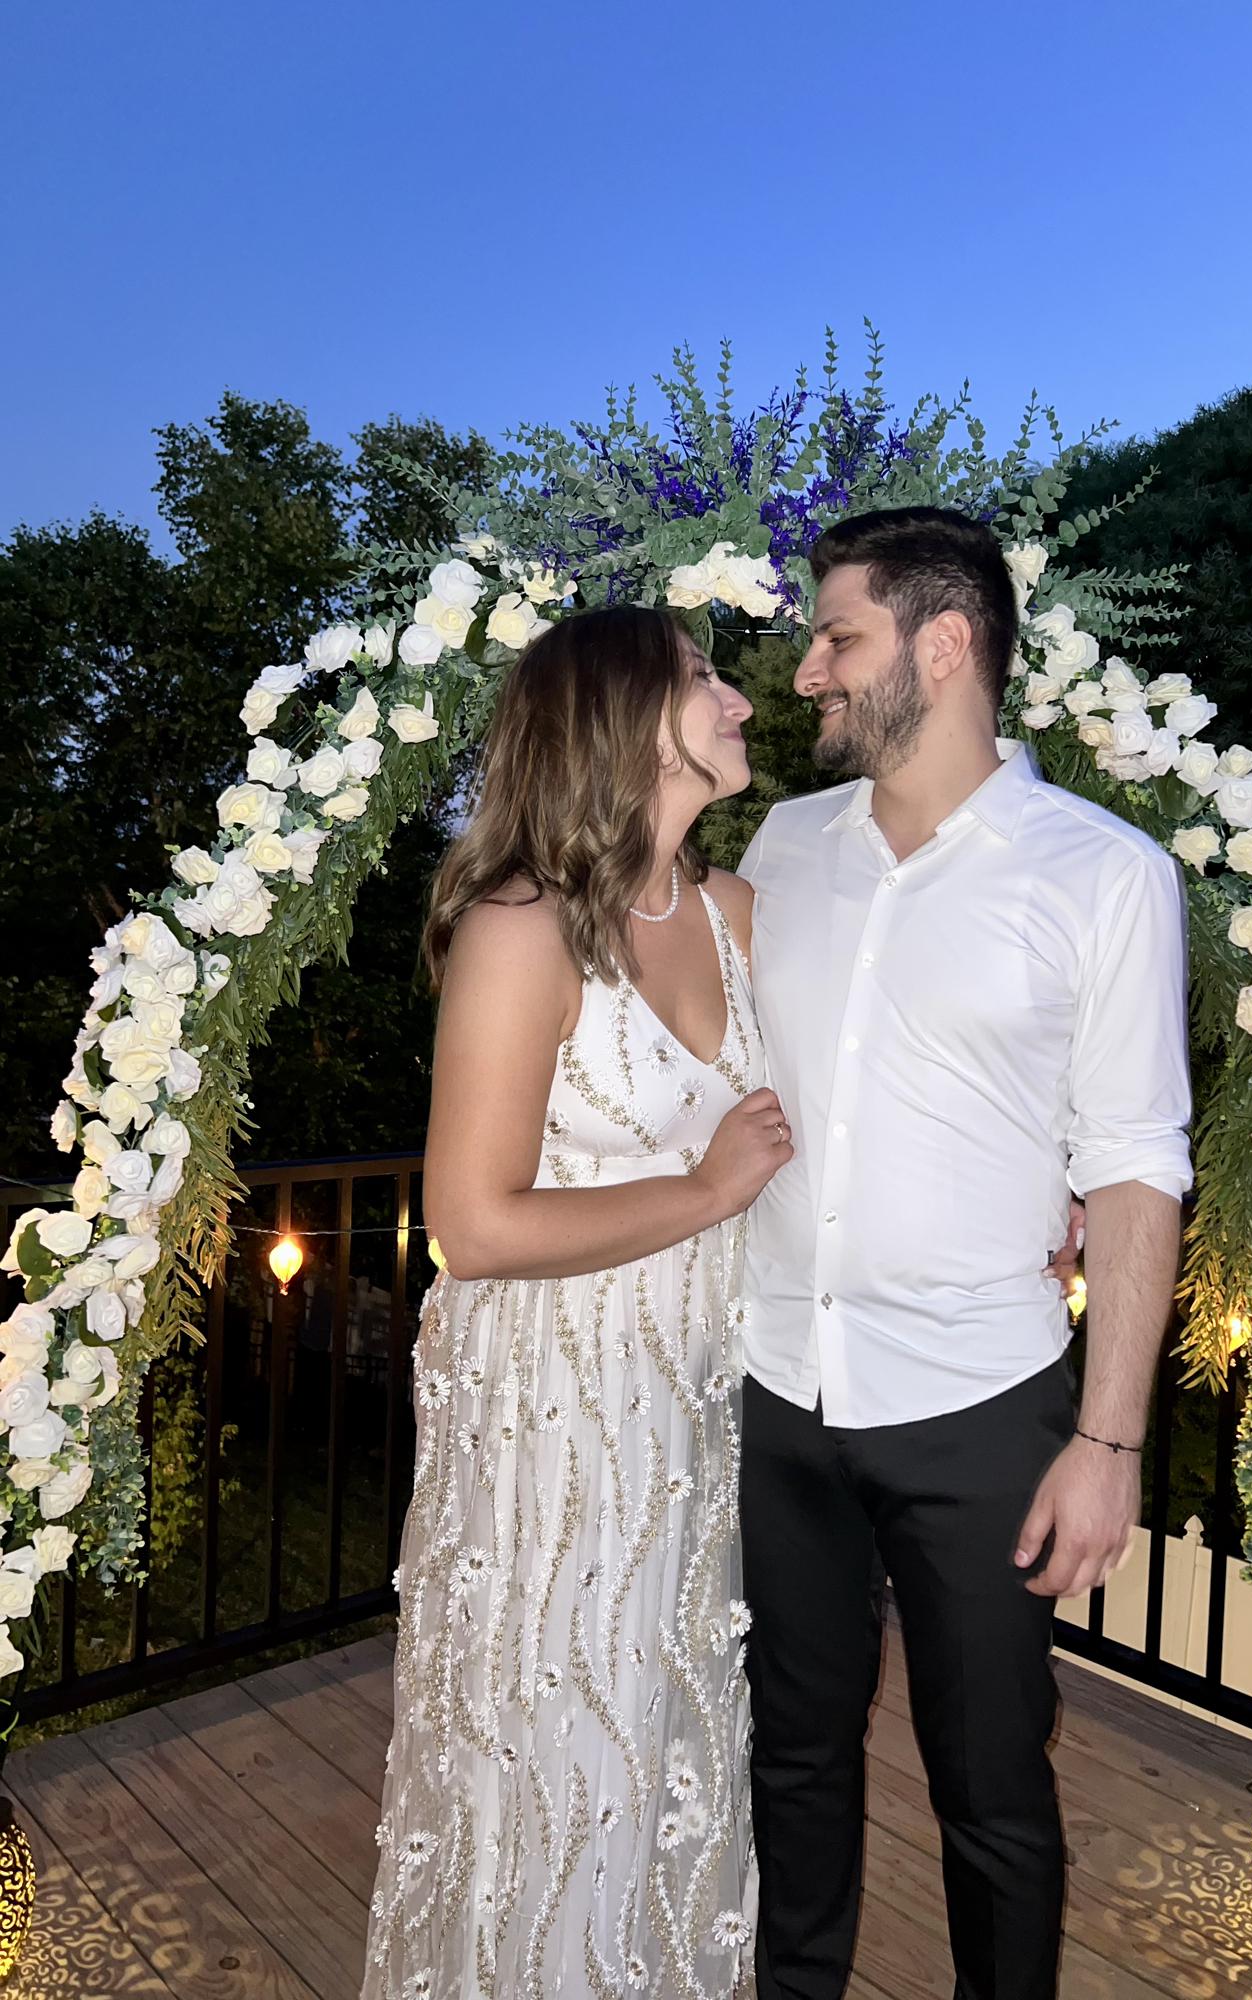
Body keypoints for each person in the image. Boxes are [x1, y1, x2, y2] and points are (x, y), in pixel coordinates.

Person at [737, 506, 1193, 2000]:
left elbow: (1136, 1165)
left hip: (982, 1409)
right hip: (777, 1390)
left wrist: (1107, 1444)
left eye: (838, 637)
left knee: (992, 1791)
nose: (808, 671)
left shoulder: (1105, 874)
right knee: (790, 1760)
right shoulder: (785, 847)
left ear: (944, 646)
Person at [363, 605, 787, 2000]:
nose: (738, 699)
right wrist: (707, 1191)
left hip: (695, 1400)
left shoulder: (733, 914)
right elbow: (474, 1225)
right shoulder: (521, 928)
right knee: (559, 1753)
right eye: (704, 678)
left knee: (668, 1739)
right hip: (554, 1410)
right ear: (625, 721)